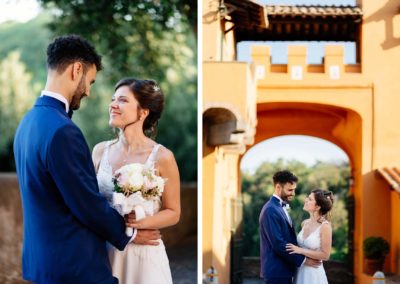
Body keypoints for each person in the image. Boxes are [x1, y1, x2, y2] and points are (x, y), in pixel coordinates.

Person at [13, 35, 159, 284]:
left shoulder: (27, 124)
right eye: (89, 81)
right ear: (76, 69)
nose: (89, 91)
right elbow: (85, 202)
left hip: (42, 264)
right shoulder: (63, 131)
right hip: (75, 268)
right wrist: (130, 233)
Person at [92, 77, 181, 284]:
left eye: (122, 100)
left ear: (143, 112)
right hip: (104, 252)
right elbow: (89, 203)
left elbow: (173, 212)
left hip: (144, 255)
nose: (113, 105)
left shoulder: (162, 157)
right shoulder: (99, 152)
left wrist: (141, 223)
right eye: (113, 99)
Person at [259, 170, 321, 284]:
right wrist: (303, 260)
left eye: (294, 190)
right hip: (277, 272)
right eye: (290, 190)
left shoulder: (278, 207)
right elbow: (278, 244)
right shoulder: (270, 210)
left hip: (285, 270)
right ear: (278, 187)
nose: (293, 193)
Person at [286, 189, 334, 284]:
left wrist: (300, 250)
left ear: (317, 206)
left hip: (313, 274)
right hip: (300, 270)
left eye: (310, 199)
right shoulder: (305, 223)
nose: (306, 200)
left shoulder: (325, 226)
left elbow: (325, 255)